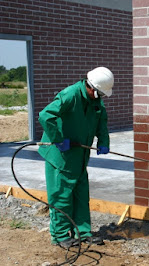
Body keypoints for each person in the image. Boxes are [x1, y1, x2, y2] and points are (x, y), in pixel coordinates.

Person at [38, 67, 114, 248]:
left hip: (79, 155)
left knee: (81, 194)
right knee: (61, 196)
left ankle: (83, 232)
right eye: (100, 93)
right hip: (61, 156)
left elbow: (101, 120)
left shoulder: (95, 100)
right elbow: (45, 115)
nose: (101, 97)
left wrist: (104, 141)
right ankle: (60, 235)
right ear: (91, 88)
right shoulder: (70, 95)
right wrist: (57, 139)